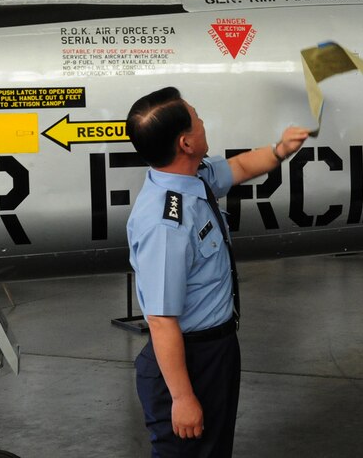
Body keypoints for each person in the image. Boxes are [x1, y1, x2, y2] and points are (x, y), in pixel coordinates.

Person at [125, 86, 309, 458]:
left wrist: (281, 149)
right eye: (197, 119)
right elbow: (161, 319)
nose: (203, 122)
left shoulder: (192, 178)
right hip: (189, 362)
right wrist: (182, 397)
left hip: (216, 351)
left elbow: (239, 168)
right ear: (186, 143)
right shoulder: (166, 225)